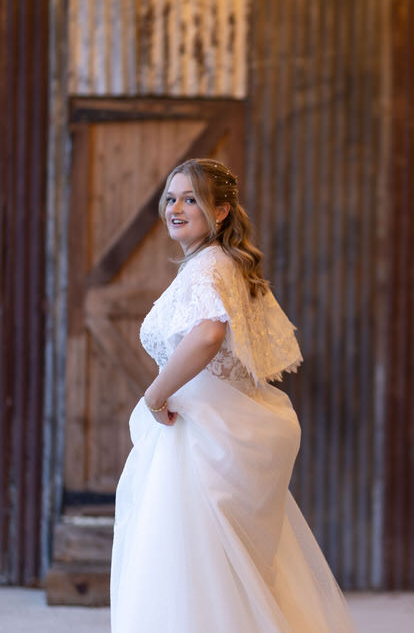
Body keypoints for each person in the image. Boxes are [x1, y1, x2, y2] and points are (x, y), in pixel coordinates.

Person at [110, 158, 355, 632]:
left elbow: (207, 337)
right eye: (171, 198)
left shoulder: (208, 268)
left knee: (183, 565)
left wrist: (156, 395)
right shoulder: (224, 265)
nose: (175, 208)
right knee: (222, 570)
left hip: (200, 438)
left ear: (220, 212)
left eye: (190, 199)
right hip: (218, 428)